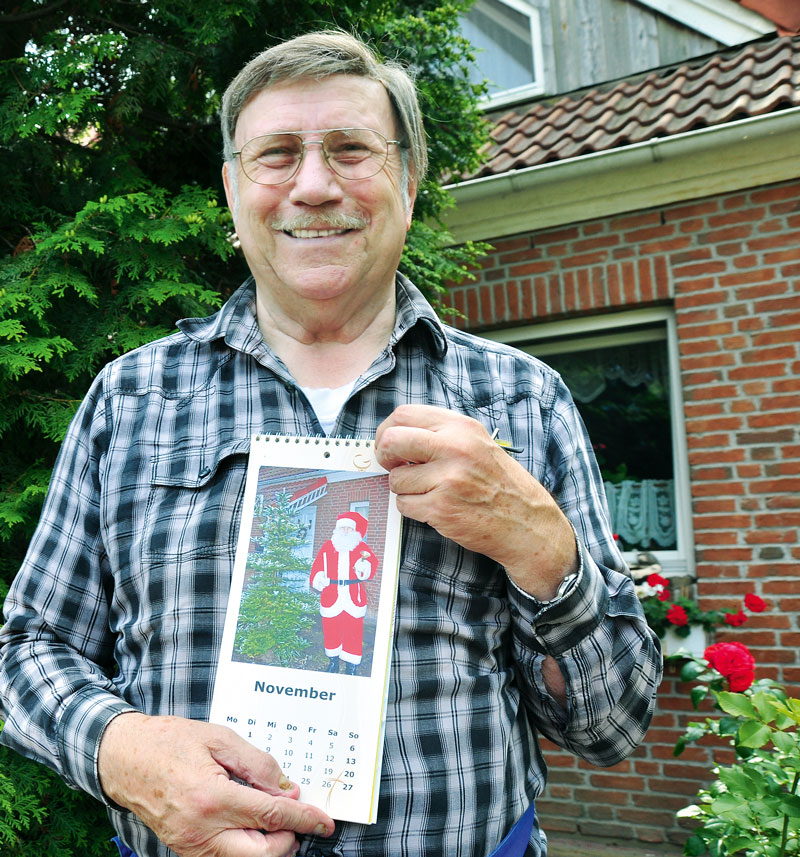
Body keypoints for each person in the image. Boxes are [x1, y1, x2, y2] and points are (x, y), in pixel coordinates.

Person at [0, 29, 662, 857]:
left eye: (351, 149)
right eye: (276, 154)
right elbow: (28, 648)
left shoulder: (521, 400)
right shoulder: (131, 400)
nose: (314, 186)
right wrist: (115, 746)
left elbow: (613, 725)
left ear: (409, 184)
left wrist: (542, 549)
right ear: (233, 192)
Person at [309, 512, 378, 675]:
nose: (346, 531)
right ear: (337, 529)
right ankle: (333, 662)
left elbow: (372, 563)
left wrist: (364, 567)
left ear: (353, 530)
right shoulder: (327, 546)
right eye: (343, 528)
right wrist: (319, 578)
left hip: (353, 594)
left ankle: (350, 666)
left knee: (353, 630)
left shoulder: (361, 546)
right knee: (331, 628)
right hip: (331, 593)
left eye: (349, 528)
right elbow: (317, 566)